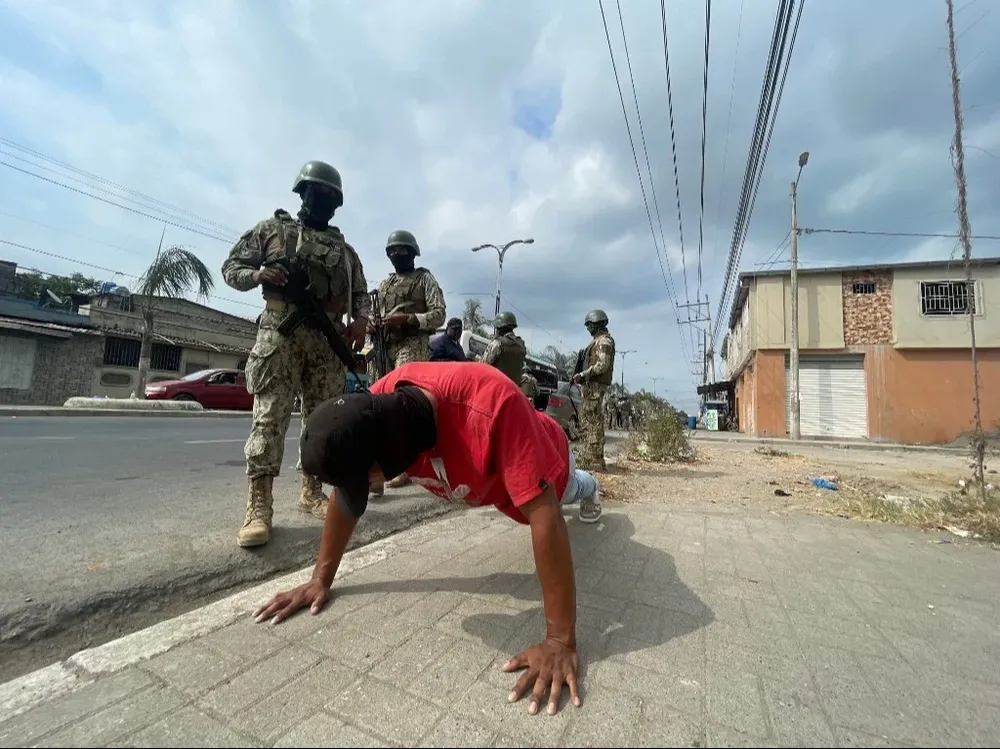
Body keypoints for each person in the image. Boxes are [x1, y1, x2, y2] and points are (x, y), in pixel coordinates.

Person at [252, 361, 603, 716]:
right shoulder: (373, 412)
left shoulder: (493, 404)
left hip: (547, 458)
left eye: (368, 476)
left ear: (393, 448)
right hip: (494, 486)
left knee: (569, 490)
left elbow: (546, 517)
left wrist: (560, 641)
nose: (370, 485)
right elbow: (344, 500)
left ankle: (593, 488)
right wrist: (319, 579)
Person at [221, 159, 370, 548]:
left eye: (330, 197)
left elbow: (362, 297)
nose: (322, 200)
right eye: (316, 193)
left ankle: (312, 492)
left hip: (327, 341)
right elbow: (231, 267)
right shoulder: (271, 231)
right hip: (280, 334)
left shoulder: (346, 251)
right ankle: (259, 507)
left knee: (324, 422)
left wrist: (360, 322)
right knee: (270, 418)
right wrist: (258, 276)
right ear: (302, 193)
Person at [368, 229, 446, 492]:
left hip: (412, 343)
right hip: (383, 345)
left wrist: (410, 319)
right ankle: (377, 466)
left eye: (401, 251)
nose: (396, 255)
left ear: (412, 253)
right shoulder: (384, 285)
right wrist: (371, 326)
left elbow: (439, 315)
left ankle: (403, 465)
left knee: (402, 404)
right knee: (377, 403)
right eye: (392, 251)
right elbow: (372, 314)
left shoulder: (424, 279)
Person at [572, 309, 615, 476]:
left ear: (596, 324)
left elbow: (603, 365)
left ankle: (595, 460)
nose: (588, 328)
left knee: (593, 423)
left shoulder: (604, 342)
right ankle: (593, 458)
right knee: (590, 422)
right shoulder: (598, 341)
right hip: (591, 387)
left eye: (589, 324)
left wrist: (583, 375)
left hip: (595, 388)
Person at [479, 311, 526, 384]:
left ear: (500, 328)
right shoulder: (521, 344)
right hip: (515, 389)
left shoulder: (497, 343)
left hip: (498, 388)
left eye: (497, 328)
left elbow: (483, 365)